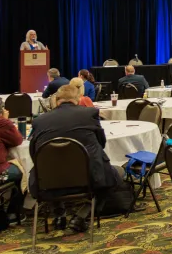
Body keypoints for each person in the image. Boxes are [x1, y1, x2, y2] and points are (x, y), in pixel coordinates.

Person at [28, 84, 126, 232]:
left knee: (49, 170)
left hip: (48, 179)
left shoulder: (39, 121)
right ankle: (82, 215)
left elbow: (33, 153)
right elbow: (102, 143)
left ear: (56, 100)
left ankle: (58, 214)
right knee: (114, 175)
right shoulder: (89, 114)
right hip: (87, 177)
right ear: (78, 99)